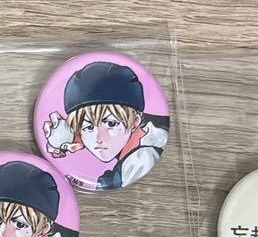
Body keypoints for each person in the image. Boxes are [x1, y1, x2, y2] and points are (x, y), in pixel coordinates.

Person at [42, 60, 169, 189]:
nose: (98, 138)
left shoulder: (139, 161)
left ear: (135, 122)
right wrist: (68, 139)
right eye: (89, 127)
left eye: (111, 124)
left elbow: (104, 184)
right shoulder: (153, 132)